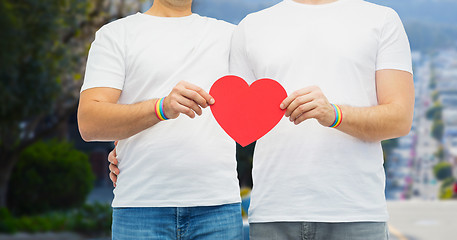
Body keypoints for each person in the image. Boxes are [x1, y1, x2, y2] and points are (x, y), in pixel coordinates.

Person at [230, 0, 414, 239]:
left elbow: (400, 119)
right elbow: (239, 119)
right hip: (273, 213)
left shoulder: (382, 20)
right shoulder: (250, 27)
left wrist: (334, 114)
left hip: (356, 214)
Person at [77, 0, 243, 239]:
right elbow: (89, 123)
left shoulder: (231, 37)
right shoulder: (116, 35)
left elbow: (267, 101)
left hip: (217, 207)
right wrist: (160, 108)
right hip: (140, 208)